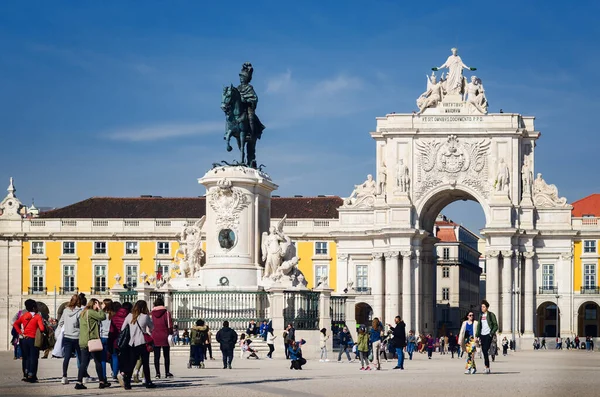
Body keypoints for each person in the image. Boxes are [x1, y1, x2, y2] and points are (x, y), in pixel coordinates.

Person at [119, 300, 156, 390]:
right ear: (144, 307)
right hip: (142, 343)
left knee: (131, 363)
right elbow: (152, 327)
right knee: (145, 363)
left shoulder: (129, 316)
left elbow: (122, 328)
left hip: (132, 343)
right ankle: (148, 382)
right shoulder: (145, 317)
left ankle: (127, 382)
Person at [75, 298, 110, 390]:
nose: (98, 306)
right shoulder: (90, 312)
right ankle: (102, 382)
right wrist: (100, 309)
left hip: (83, 340)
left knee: (84, 362)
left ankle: (79, 382)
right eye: (97, 304)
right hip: (91, 340)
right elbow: (102, 317)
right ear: (93, 304)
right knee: (97, 361)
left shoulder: (83, 312)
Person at [13, 299, 45, 383]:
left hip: (24, 339)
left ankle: (25, 374)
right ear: (34, 308)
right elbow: (42, 328)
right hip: (33, 339)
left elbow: (15, 324)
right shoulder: (38, 316)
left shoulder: (24, 316)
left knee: (25, 358)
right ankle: (32, 375)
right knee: (34, 357)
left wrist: (21, 333)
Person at [57, 294, 82, 385]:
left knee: (66, 357)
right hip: (77, 337)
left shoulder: (65, 310)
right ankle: (82, 376)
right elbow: (81, 324)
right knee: (80, 357)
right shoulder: (80, 312)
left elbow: (60, 323)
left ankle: (64, 376)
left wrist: (65, 329)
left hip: (67, 336)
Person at [150, 297, 174, 378]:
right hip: (165, 335)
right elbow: (170, 325)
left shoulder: (152, 313)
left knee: (156, 356)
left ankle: (157, 373)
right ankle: (167, 372)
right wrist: (171, 333)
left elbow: (150, 325)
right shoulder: (166, 313)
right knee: (166, 355)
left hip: (155, 335)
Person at [108, 301, 130, 381]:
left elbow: (111, 330)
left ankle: (114, 374)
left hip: (115, 339)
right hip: (125, 339)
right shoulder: (128, 316)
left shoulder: (114, 317)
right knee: (125, 357)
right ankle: (122, 373)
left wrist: (110, 340)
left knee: (114, 356)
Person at [475, 300, 498, 374]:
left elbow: (495, 325)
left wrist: (491, 333)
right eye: (481, 306)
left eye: (483, 306)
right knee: (484, 351)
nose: (482, 308)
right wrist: (477, 335)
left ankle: (487, 367)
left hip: (488, 334)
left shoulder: (491, 315)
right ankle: (487, 367)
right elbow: (479, 326)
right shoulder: (481, 316)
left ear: (487, 307)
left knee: (485, 350)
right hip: (482, 335)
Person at [99, 299, 112, 381]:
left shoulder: (101, 314)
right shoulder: (113, 314)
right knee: (113, 356)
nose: (102, 305)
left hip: (103, 336)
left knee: (102, 358)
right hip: (111, 337)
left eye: (103, 303)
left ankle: (103, 376)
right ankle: (115, 373)